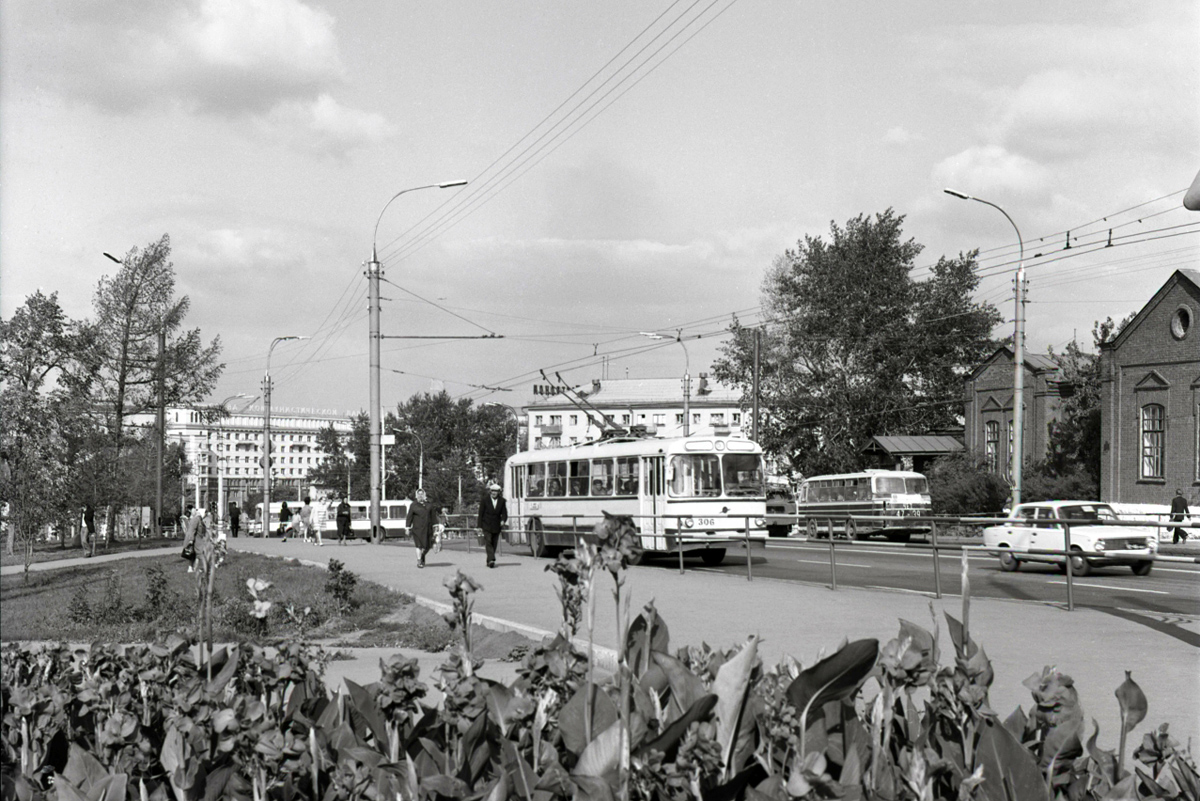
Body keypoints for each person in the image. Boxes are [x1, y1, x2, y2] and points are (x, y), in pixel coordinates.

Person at [477, 482, 508, 569]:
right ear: (490, 491)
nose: (494, 493)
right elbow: (480, 513)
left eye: (496, 491)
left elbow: (504, 513)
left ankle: (489, 561)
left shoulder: (502, 501)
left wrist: (503, 520)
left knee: (494, 543)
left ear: (499, 492)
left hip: (496, 525)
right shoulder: (484, 500)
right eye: (492, 491)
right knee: (488, 541)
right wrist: (479, 526)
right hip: (486, 524)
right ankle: (491, 559)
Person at [406, 488, 435, 568]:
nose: (420, 495)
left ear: (424, 495)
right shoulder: (413, 505)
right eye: (419, 494)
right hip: (417, 529)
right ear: (416, 495)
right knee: (418, 545)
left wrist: (436, 527)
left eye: (422, 494)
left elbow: (433, 517)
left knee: (427, 546)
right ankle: (419, 561)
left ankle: (422, 556)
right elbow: (409, 517)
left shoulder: (429, 505)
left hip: (427, 529)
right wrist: (407, 528)